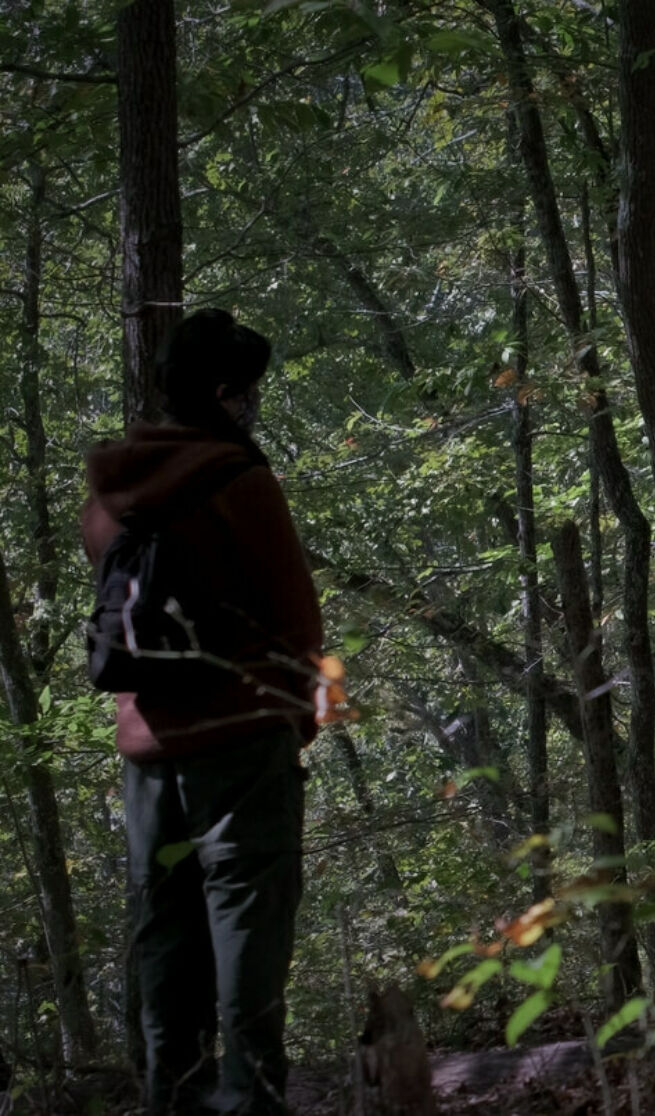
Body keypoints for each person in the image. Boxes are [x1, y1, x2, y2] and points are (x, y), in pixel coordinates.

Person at [83, 309, 324, 1115]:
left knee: (164, 924)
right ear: (224, 393)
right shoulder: (238, 481)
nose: (252, 405)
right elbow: (297, 620)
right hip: (244, 742)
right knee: (248, 919)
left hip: (148, 750)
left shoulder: (114, 490)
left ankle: (171, 1097)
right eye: (247, 391)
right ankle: (252, 1097)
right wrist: (301, 717)